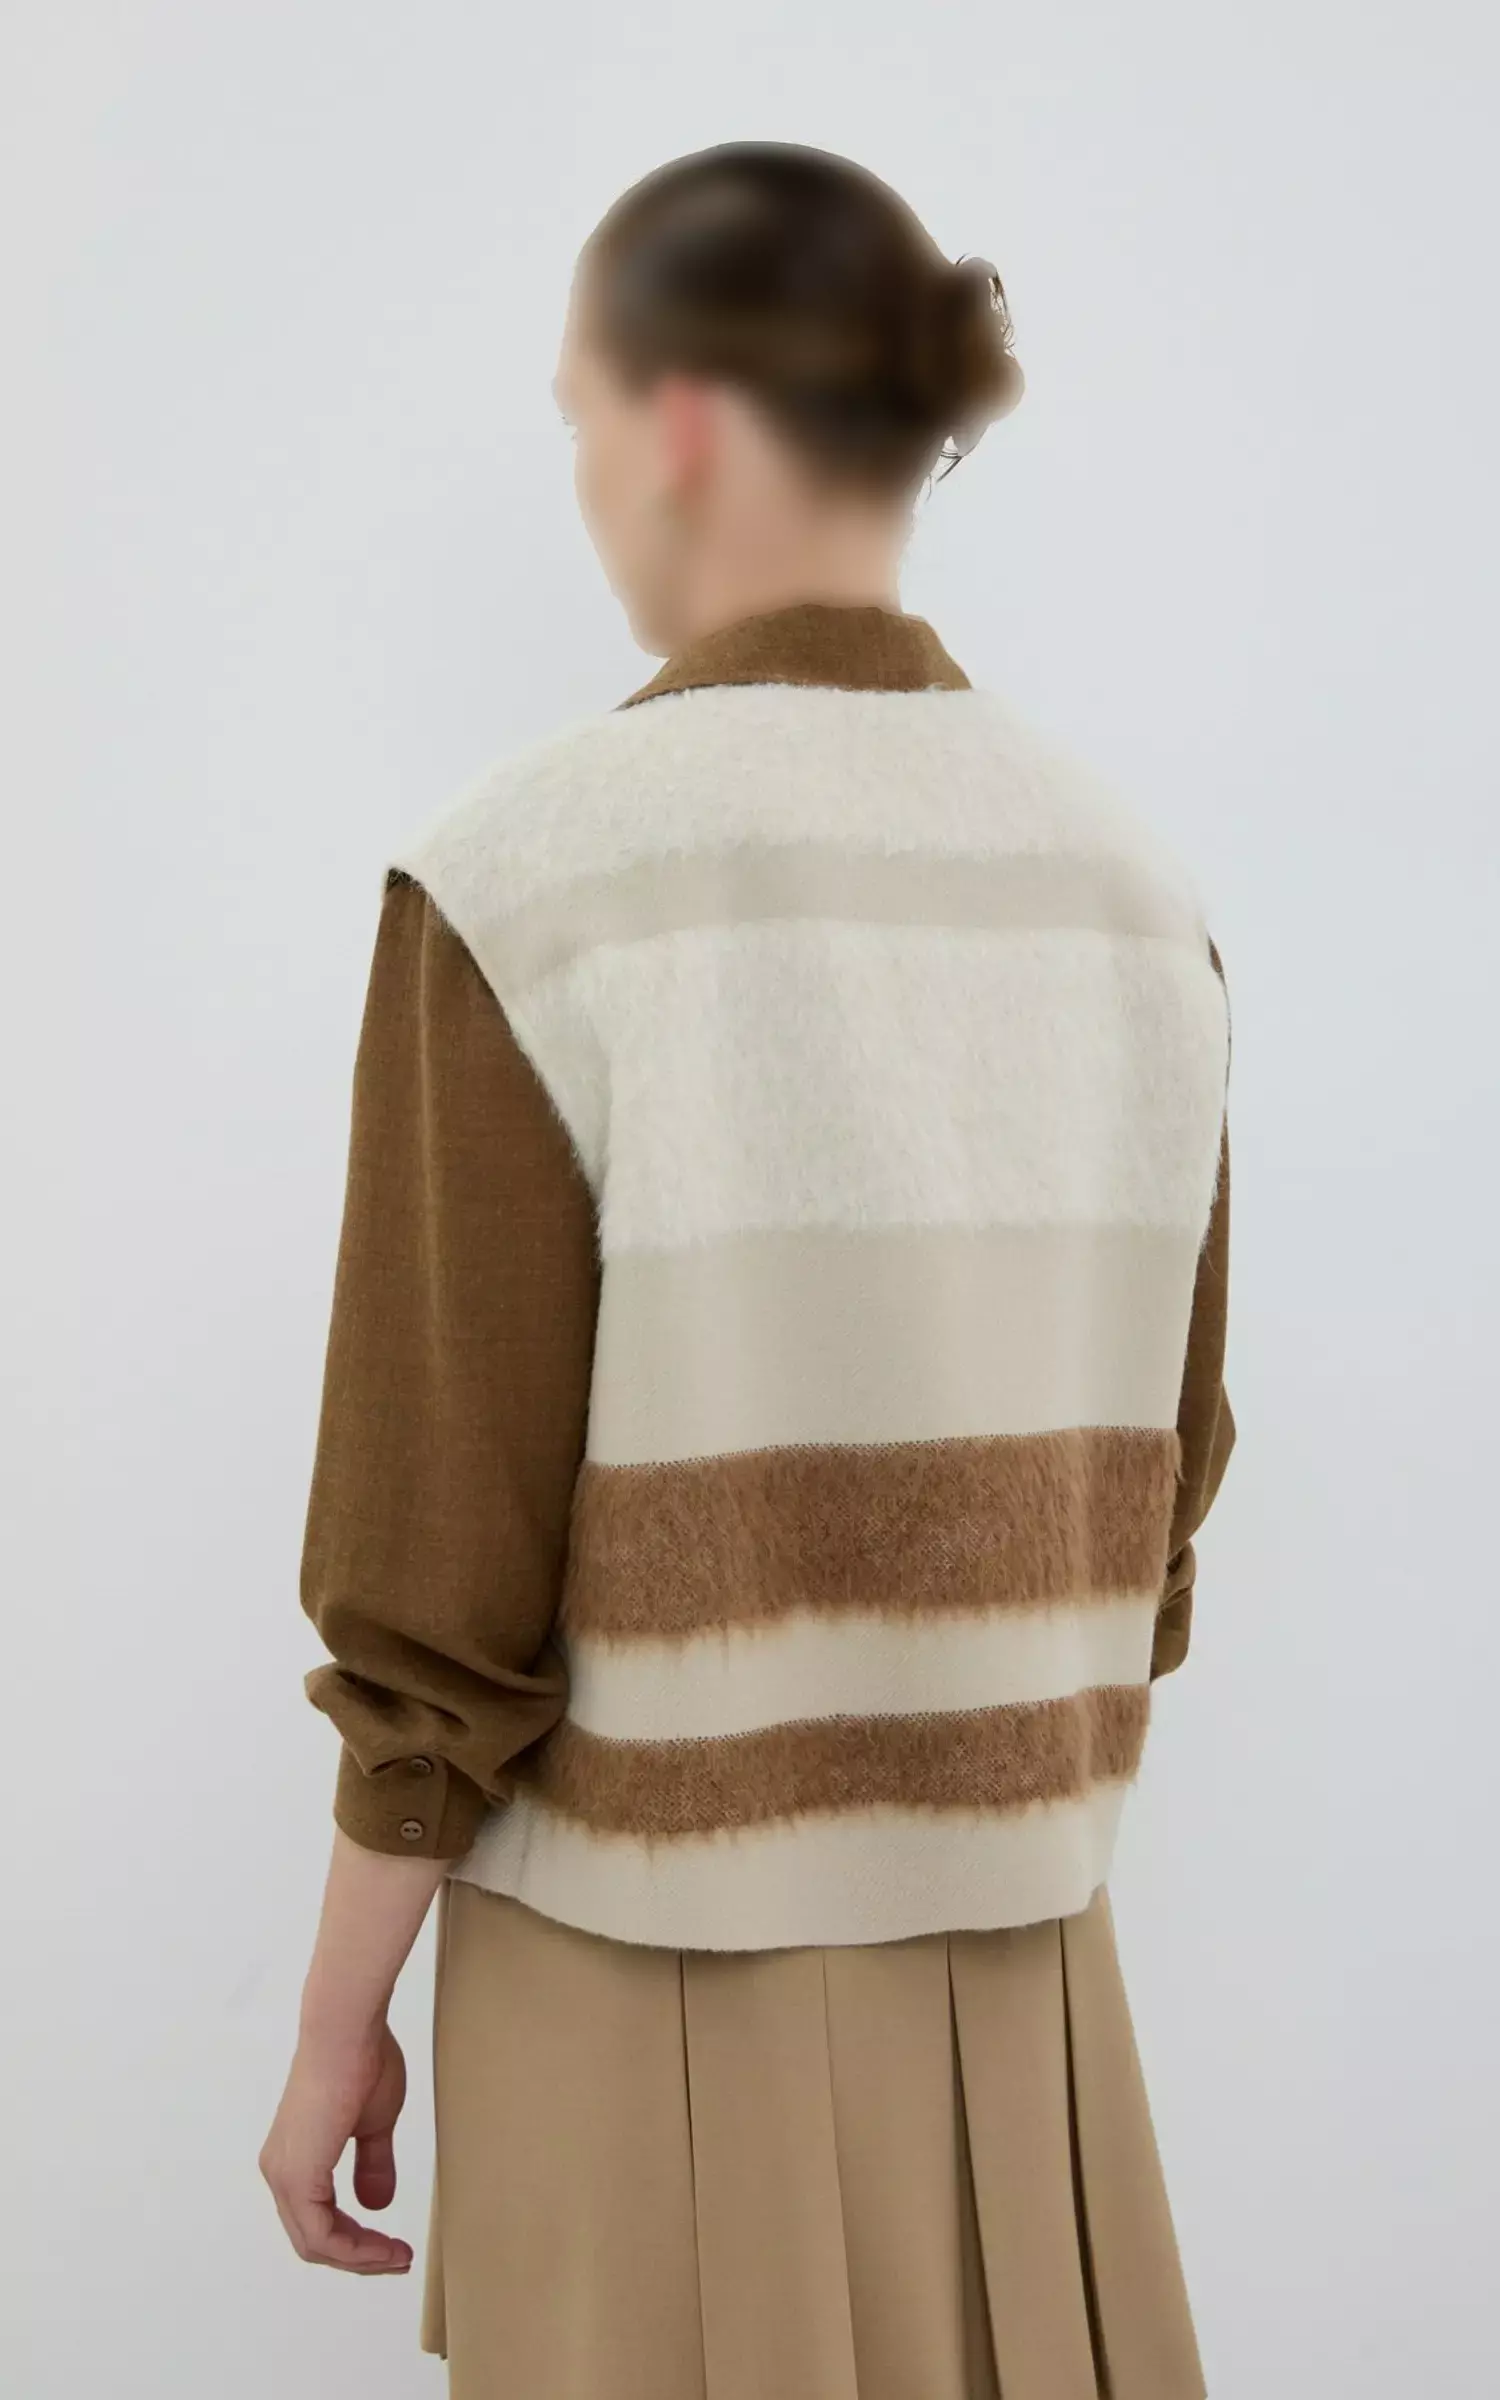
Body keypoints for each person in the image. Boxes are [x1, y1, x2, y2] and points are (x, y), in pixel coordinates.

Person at [259, 139, 1235, 2400]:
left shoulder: (528, 884)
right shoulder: (1134, 896)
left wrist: (333, 2029)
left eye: (579, 416)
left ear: (678, 417)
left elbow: (439, 1577)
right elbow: (1161, 1510)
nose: (585, 479)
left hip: (644, 1989)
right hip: (1037, 2007)